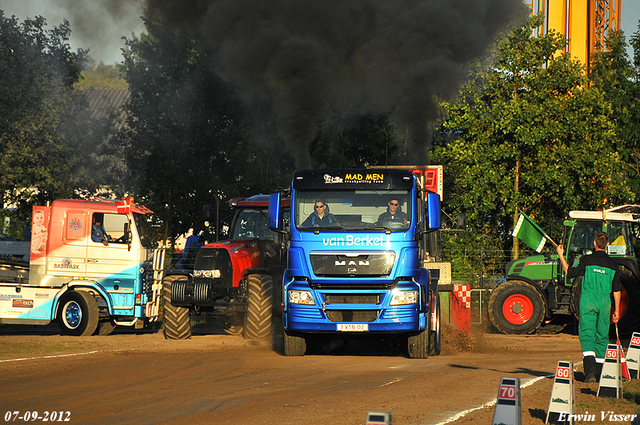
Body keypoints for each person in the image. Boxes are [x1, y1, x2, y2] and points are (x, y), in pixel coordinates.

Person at [556, 232, 621, 383]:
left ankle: (590, 373)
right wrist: (616, 310)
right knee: (602, 336)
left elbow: (569, 272)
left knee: (587, 335)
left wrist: (561, 255)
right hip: (605, 304)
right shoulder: (613, 265)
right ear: (607, 245)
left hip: (588, 303)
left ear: (594, 243)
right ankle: (600, 373)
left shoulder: (586, 260)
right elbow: (617, 290)